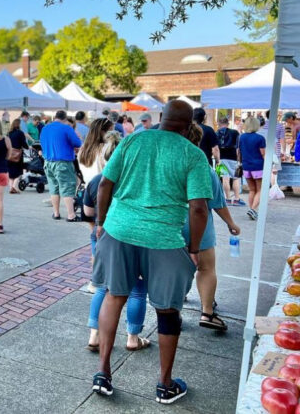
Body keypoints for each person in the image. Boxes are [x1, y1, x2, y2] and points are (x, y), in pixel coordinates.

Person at [91, 100, 211, 404]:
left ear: (162, 118)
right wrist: (194, 249)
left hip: (118, 231)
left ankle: (103, 373)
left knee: (113, 295)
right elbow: (198, 208)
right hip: (163, 238)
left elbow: (105, 184)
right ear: (187, 126)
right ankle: (165, 384)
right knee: (168, 309)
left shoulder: (132, 140)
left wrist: (101, 223)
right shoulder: (192, 154)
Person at [82, 136, 148, 353]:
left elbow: (87, 213)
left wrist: (98, 226)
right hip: (132, 236)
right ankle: (132, 337)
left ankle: (94, 334)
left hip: (102, 235)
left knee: (102, 286)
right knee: (137, 290)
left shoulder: (96, 180)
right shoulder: (135, 182)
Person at [181, 124, 241, 332]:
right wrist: (231, 224)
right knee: (206, 268)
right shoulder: (204, 169)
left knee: (176, 269)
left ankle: (174, 308)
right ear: (198, 141)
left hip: (170, 226)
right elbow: (217, 202)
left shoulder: (166, 165)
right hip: (200, 226)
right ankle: (207, 311)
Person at [40, 110, 82, 222]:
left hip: (48, 162)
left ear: (55, 117)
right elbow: (78, 143)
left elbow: (42, 144)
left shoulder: (45, 128)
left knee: (54, 188)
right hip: (63, 162)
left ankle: (56, 213)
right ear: (65, 118)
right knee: (67, 187)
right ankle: (71, 215)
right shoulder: (66, 128)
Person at [238, 116, 266, 220]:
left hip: (246, 166)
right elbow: (263, 154)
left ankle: (251, 210)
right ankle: (253, 210)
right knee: (260, 189)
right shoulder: (260, 138)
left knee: (252, 190)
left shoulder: (241, 137)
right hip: (258, 166)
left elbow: (239, 152)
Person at [216, 117, 244, 206]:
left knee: (225, 179)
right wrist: (239, 159)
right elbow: (238, 147)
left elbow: (215, 148)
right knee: (236, 178)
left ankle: (227, 199)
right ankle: (236, 199)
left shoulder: (216, 133)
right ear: (228, 124)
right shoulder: (235, 132)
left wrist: (217, 160)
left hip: (221, 158)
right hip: (233, 158)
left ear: (218, 124)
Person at [78, 118, 114, 184]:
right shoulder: (106, 148)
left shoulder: (83, 149)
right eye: (111, 131)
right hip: (102, 188)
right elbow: (111, 171)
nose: (113, 134)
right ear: (102, 132)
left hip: (88, 187)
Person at [259, 109, 284, 185]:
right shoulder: (280, 126)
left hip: (262, 150)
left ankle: (265, 187)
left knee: (265, 170)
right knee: (274, 172)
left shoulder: (263, 125)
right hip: (276, 151)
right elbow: (282, 140)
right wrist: (283, 151)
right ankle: (273, 188)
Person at [6, 118, 28, 193]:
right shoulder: (20, 133)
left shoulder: (9, 133)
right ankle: (14, 187)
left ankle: (11, 188)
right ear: (19, 125)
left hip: (9, 154)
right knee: (18, 172)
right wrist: (28, 147)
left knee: (11, 173)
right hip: (17, 155)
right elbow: (24, 144)